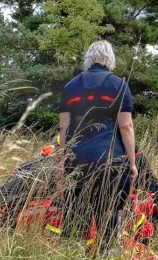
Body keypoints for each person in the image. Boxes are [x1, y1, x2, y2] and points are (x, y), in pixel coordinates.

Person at [57, 40, 137, 254]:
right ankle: (106, 253)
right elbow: (126, 126)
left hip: (76, 159)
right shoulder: (119, 85)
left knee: (74, 213)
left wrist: (60, 164)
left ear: (88, 58)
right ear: (109, 59)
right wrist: (133, 162)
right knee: (110, 212)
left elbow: (63, 128)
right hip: (111, 160)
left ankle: (72, 253)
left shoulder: (70, 86)